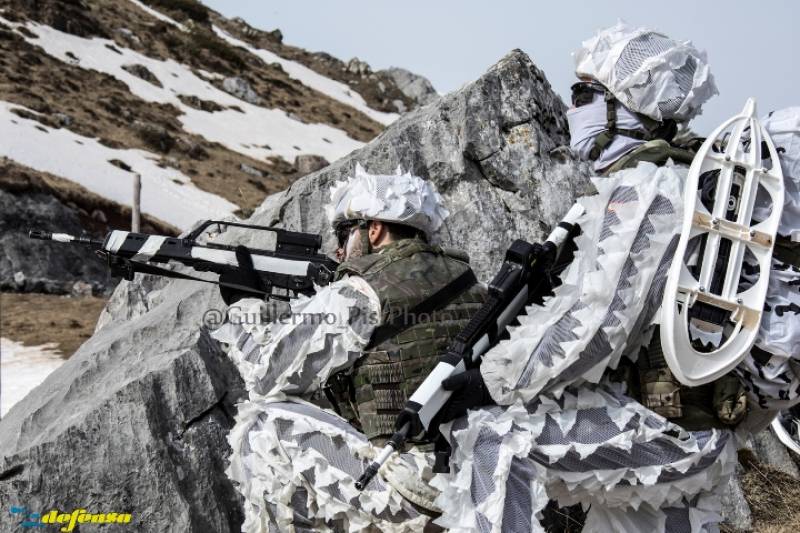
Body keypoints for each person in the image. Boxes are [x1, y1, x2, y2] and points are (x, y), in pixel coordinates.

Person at [434, 22, 749, 532]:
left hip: (668, 429)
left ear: (626, 105)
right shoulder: (678, 183)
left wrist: (490, 382)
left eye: (584, 94)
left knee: (494, 441)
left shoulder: (650, 190)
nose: (570, 107)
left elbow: (595, 323)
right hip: (684, 422)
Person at [214, 165, 487, 532]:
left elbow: (266, 375)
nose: (338, 250)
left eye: (344, 234)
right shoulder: (470, 279)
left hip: (416, 485)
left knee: (263, 423)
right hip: (478, 469)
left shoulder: (360, 293)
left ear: (374, 229)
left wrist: (243, 306)